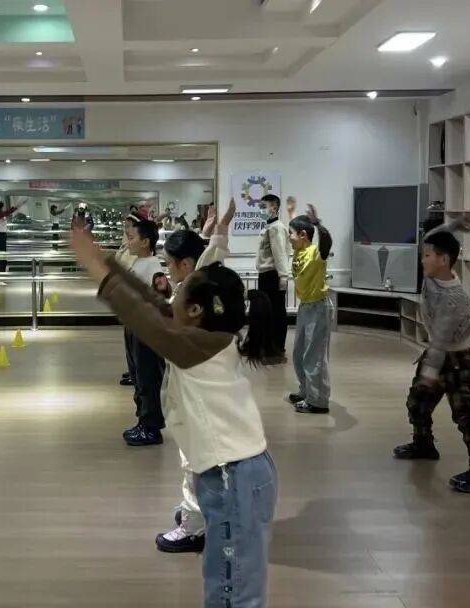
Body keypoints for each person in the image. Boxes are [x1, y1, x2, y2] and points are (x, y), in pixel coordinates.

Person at [69, 218, 278, 608]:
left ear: (195, 310)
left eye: (179, 295)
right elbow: (152, 306)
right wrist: (107, 262)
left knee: (232, 587)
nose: (170, 297)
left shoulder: (195, 347)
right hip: (235, 473)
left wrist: (98, 269)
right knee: (227, 575)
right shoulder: (206, 338)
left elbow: (145, 318)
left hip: (233, 476)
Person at [393, 218, 470, 493]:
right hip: (436, 353)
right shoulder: (431, 277)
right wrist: (451, 226)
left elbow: (441, 339)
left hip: (457, 359)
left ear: (443, 260)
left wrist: (429, 373)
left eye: (427, 256)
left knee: (466, 415)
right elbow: (431, 236)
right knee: (417, 403)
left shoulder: (455, 298)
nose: (422, 260)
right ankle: (423, 444)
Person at [156, 201, 235, 555]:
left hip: (196, 393)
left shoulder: (195, 291)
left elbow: (208, 258)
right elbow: (211, 256)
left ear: (185, 265)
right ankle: (203, 512)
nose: (167, 269)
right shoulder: (202, 285)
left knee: (195, 460)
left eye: (170, 263)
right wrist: (217, 230)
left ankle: (194, 527)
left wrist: (218, 231)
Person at [121, 219, 166, 446]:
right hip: (133, 326)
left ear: (145, 241)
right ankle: (143, 421)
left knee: (148, 378)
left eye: (132, 238)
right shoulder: (139, 262)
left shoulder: (153, 267)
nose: (128, 242)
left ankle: (151, 428)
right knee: (138, 377)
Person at [285, 203, 333, 414]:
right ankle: (306, 390)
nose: (289, 237)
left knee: (314, 355)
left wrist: (317, 224)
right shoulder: (299, 250)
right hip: (305, 307)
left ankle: (318, 401)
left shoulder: (315, 253)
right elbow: (299, 229)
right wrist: (292, 214)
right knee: (299, 354)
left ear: (303, 235)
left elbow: (326, 243)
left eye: (291, 234)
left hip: (318, 308)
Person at [254, 194, 291, 362]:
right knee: (267, 313)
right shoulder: (268, 227)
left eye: (264, 207)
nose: (260, 210)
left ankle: (277, 349)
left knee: (276, 313)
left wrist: (283, 276)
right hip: (265, 275)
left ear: (274, 208)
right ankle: (268, 347)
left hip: (273, 275)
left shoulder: (276, 228)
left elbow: (280, 254)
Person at [116, 214, 140, 387]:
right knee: (128, 338)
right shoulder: (127, 245)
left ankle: (136, 372)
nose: (127, 229)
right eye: (126, 226)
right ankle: (132, 370)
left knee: (133, 340)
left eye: (130, 225)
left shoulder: (137, 249)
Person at [0, 199, 27, 273]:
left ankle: (2, 271)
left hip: (3, 236)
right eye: (2, 207)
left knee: (3, 256)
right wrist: (16, 206)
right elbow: (7, 213)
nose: (3, 208)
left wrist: (16, 206)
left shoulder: (0, 214)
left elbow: (6, 213)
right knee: (0, 256)